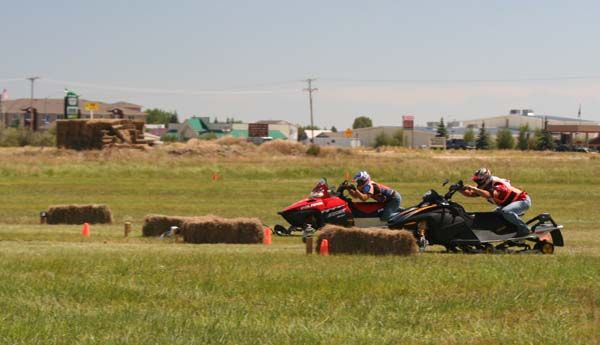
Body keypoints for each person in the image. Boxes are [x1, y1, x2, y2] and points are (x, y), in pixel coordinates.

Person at [460, 167, 532, 238]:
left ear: (485, 178)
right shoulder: (485, 185)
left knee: (506, 212)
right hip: (510, 203)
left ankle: (524, 229)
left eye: (479, 180)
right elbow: (471, 194)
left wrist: (473, 188)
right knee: (493, 215)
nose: (477, 182)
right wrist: (460, 189)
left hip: (522, 200)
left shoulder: (497, 183)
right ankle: (508, 231)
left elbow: (488, 194)